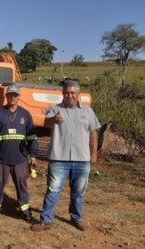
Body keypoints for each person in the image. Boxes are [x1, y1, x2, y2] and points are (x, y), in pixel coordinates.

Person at [31, 80, 100, 232]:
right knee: (53, 190)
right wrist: (53, 120)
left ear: (78, 94)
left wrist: (93, 154)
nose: (70, 96)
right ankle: (46, 221)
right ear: (63, 94)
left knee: (79, 192)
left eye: (72, 93)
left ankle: (76, 218)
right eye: (66, 93)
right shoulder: (55, 110)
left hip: (82, 160)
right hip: (59, 159)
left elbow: (93, 133)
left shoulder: (88, 112)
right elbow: (46, 122)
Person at [0, 85, 38, 222]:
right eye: (10, 95)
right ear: (6, 96)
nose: (12, 97)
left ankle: (25, 210)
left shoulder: (26, 115)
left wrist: (33, 155)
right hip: (1, 157)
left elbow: (32, 137)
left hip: (20, 158)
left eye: (15, 95)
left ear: (19, 97)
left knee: (22, 184)